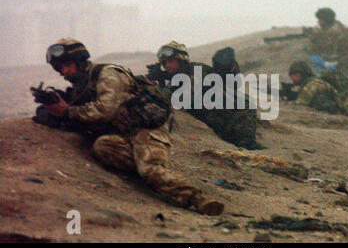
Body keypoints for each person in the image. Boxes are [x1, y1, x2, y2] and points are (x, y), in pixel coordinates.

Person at [33, 38, 224, 216]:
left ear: (79, 60)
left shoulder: (107, 73)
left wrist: (67, 112)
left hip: (145, 128)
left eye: (67, 65)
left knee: (149, 170)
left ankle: (198, 199)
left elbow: (105, 111)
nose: (64, 72)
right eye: (59, 68)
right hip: (121, 135)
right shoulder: (83, 87)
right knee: (103, 146)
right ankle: (150, 172)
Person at [146, 41, 264, 150]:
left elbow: (182, 96)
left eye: (170, 61)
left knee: (250, 149)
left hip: (239, 120)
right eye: (164, 63)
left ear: (181, 59)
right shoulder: (179, 79)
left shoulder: (196, 70)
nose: (167, 66)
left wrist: (158, 85)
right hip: (222, 127)